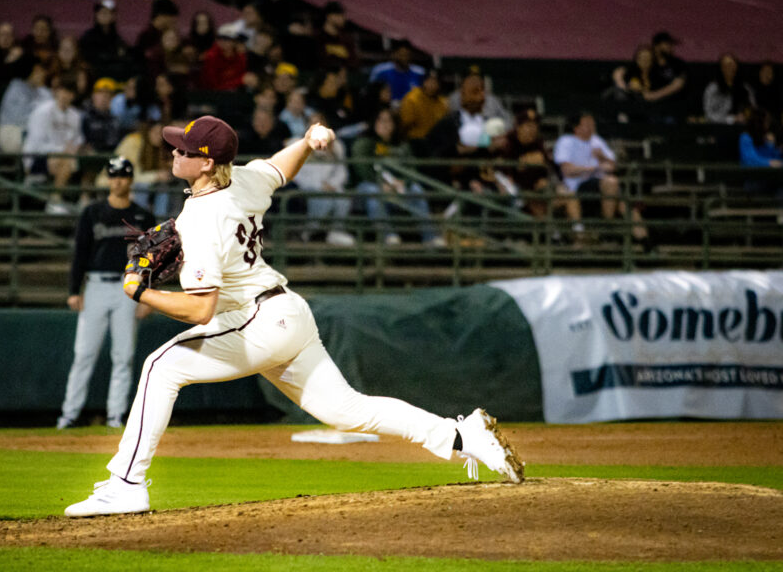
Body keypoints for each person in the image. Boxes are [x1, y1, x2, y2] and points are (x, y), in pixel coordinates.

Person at [62, 114, 524, 517]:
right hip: (288, 314)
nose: (171, 152)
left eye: (181, 149)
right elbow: (281, 168)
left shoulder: (202, 218)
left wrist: (141, 294)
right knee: (347, 411)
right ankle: (462, 435)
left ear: (204, 163)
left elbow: (202, 310)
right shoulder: (240, 179)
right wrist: (307, 141)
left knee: (160, 367)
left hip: (257, 320)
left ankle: (124, 486)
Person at [57, 156, 155, 430]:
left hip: (128, 288)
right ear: (108, 179)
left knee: (123, 355)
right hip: (97, 284)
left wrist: (146, 294)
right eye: (113, 175)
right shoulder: (92, 212)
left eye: (122, 175)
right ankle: (69, 414)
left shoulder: (143, 216)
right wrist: (74, 290)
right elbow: (80, 252)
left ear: (130, 179)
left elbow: (149, 259)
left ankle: (116, 415)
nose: (118, 180)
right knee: (84, 354)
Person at [350, 108, 445, 247]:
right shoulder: (364, 142)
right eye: (380, 120)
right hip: (370, 185)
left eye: (388, 121)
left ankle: (430, 237)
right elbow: (362, 169)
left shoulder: (402, 145)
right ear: (374, 123)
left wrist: (403, 182)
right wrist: (381, 184)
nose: (384, 124)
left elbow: (411, 169)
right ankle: (389, 236)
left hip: (398, 186)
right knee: (374, 194)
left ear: (395, 124)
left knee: (417, 190)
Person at [553, 113, 648, 243]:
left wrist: (601, 156)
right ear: (576, 128)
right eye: (587, 124)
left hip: (602, 188)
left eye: (592, 124)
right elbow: (567, 170)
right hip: (578, 186)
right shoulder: (566, 141)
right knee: (611, 182)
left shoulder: (597, 141)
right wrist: (593, 168)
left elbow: (612, 166)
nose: (591, 127)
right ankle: (607, 228)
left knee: (625, 206)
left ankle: (646, 244)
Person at [291, 112, 355, 246]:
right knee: (325, 200)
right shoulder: (297, 143)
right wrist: (319, 185)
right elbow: (294, 173)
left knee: (342, 198)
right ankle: (307, 233)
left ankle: (336, 232)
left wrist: (332, 184)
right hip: (306, 186)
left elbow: (342, 171)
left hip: (331, 186)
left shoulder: (336, 145)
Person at [22, 77, 84, 213]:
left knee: (79, 159)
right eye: (63, 91)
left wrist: (75, 148)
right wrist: (62, 149)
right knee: (67, 160)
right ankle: (54, 201)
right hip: (36, 158)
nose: (65, 95)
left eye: (69, 92)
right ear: (56, 92)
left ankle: (84, 201)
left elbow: (78, 140)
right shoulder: (42, 112)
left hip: (65, 158)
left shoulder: (75, 116)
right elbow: (35, 146)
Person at [0, 60, 52, 153]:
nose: (42, 74)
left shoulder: (42, 91)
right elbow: (18, 118)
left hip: (32, 132)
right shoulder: (16, 88)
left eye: (42, 71)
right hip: (11, 131)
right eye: (37, 71)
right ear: (29, 72)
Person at [369, 39, 425, 106]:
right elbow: (371, 93)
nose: (404, 58)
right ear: (394, 54)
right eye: (401, 55)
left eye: (407, 55)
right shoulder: (380, 70)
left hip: (411, 108)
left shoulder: (420, 72)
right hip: (386, 108)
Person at [703, 53, 753, 124]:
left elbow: (753, 110)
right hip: (719, 128)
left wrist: (746, 116)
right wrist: (732, 119)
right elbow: (708, 114)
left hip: (742, 128)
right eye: (726, 65)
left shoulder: (745, 88)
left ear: (736, 67)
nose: (729, 67)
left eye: (732, 64)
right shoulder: (712, 88)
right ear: (721, 68)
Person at [78, 0, 127, 70]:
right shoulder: (87, 38)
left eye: (107, 12)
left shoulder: (118, 41)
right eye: (101, 12)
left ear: (113, 16)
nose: (104, 15)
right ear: (96, 15)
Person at [81, 77, 122, 153]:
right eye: (100, 93)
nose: (104, 97)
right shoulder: (84, 116)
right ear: (93, 95)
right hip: (88, 157)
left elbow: (114, 142)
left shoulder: (114, 119)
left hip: (108, 156)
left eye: (108, 95)